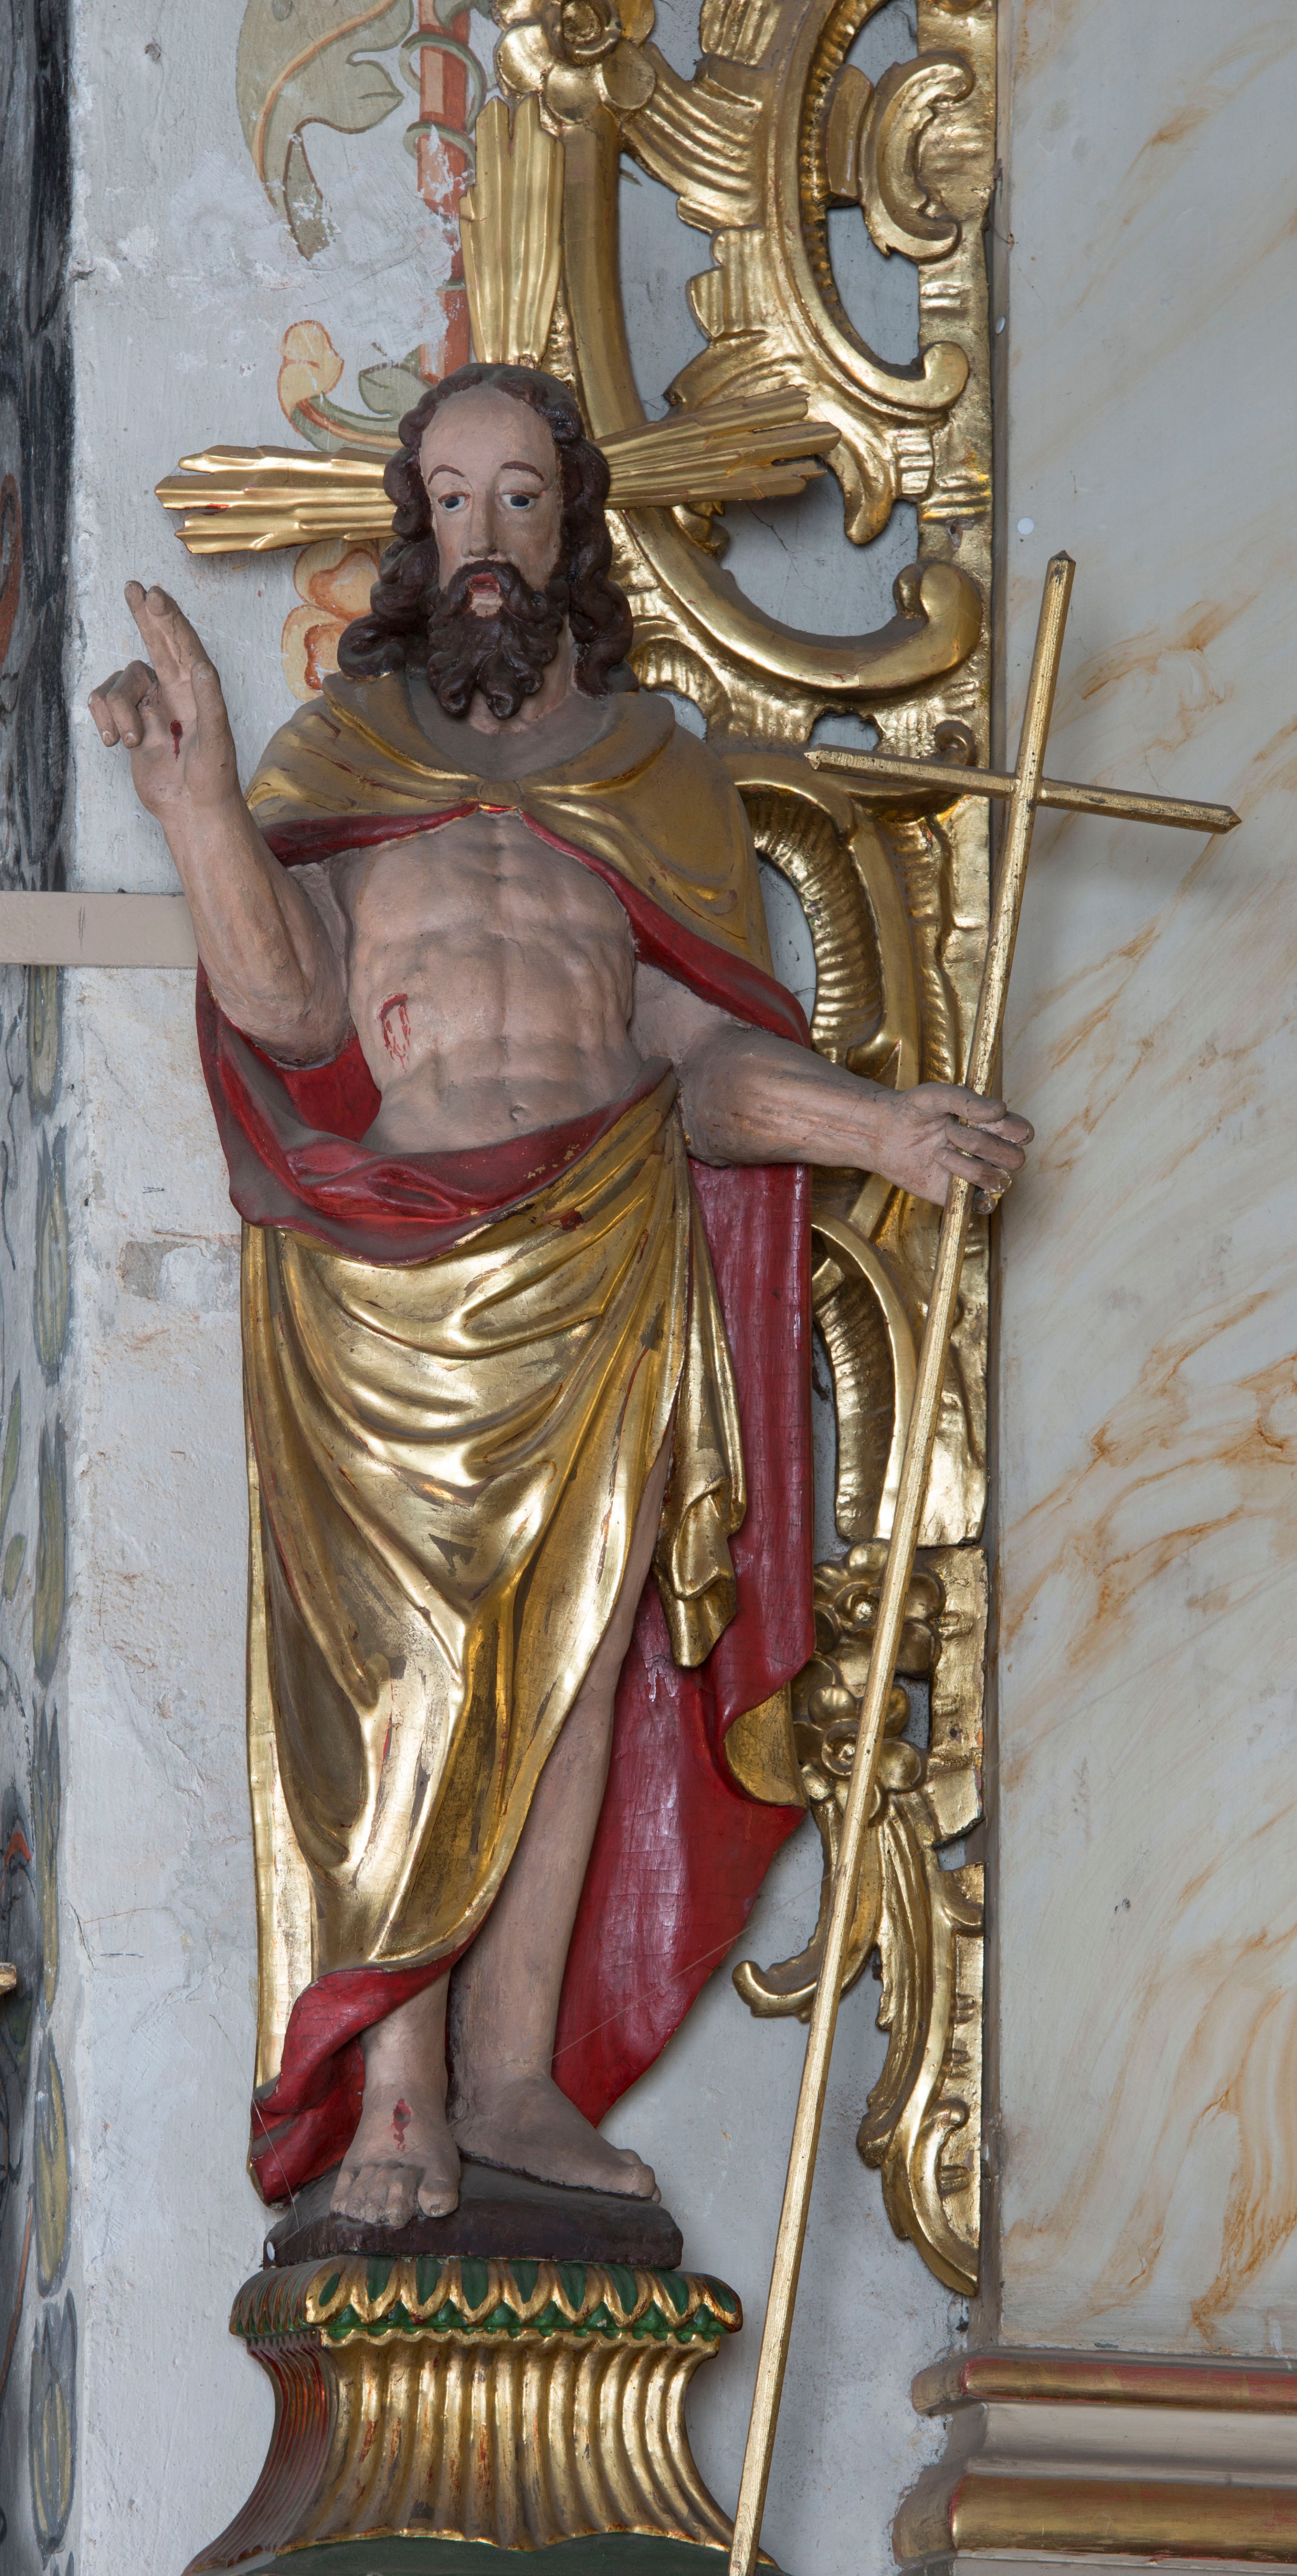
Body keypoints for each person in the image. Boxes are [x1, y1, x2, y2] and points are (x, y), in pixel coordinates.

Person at [89, 363, 1030, 2230]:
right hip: (395, 1270)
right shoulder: (337, 756)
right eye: (454, 499)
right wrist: (197, 803)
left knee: (588, 1653)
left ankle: (513, 2077)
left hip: (601, 1238)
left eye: (523, 497)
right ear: (412, 532)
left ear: (572, 527)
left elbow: (697, 1052)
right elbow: (286, 1010)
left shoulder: (656, 771)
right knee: (415, 1672)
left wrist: (883, 1127)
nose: (488, 537)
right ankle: (401, 2096)